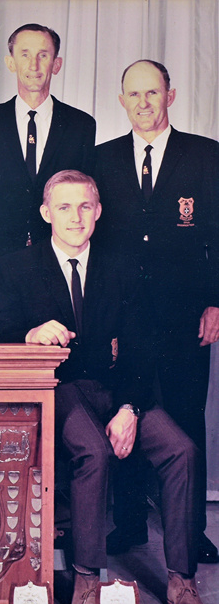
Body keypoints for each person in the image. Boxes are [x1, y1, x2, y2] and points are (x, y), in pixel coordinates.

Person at [0, 170, 207, 604]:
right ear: (46, 213)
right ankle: (87, 579)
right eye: (64, 207)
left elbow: (142, 347)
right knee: (94, 452)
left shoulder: (123, 266)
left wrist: (129, 409)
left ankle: (182, 580)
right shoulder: (14, 267)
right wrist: (29, 334)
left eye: (85, 206)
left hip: (118, 391)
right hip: (57, 390)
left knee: (182, 450)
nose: (75, 217)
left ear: (99, 211)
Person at [94, 59, 219, 564]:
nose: (143, 102)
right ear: (121, 100)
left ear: (171, 94)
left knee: (186, 415)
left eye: (153, 92)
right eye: (134, 94)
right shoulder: (101, 158)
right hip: (123, 313)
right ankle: (128, 524)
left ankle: (190, 532)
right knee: (127, 407)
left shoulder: (206, 155)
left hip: (185, 311)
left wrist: (216, 301)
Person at [0, 23, 96, 341]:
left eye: (43, 55)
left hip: (53, 267)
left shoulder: (80, 125)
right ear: (10, 62)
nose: (34, 65)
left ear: (57, 63)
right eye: (25, 54)